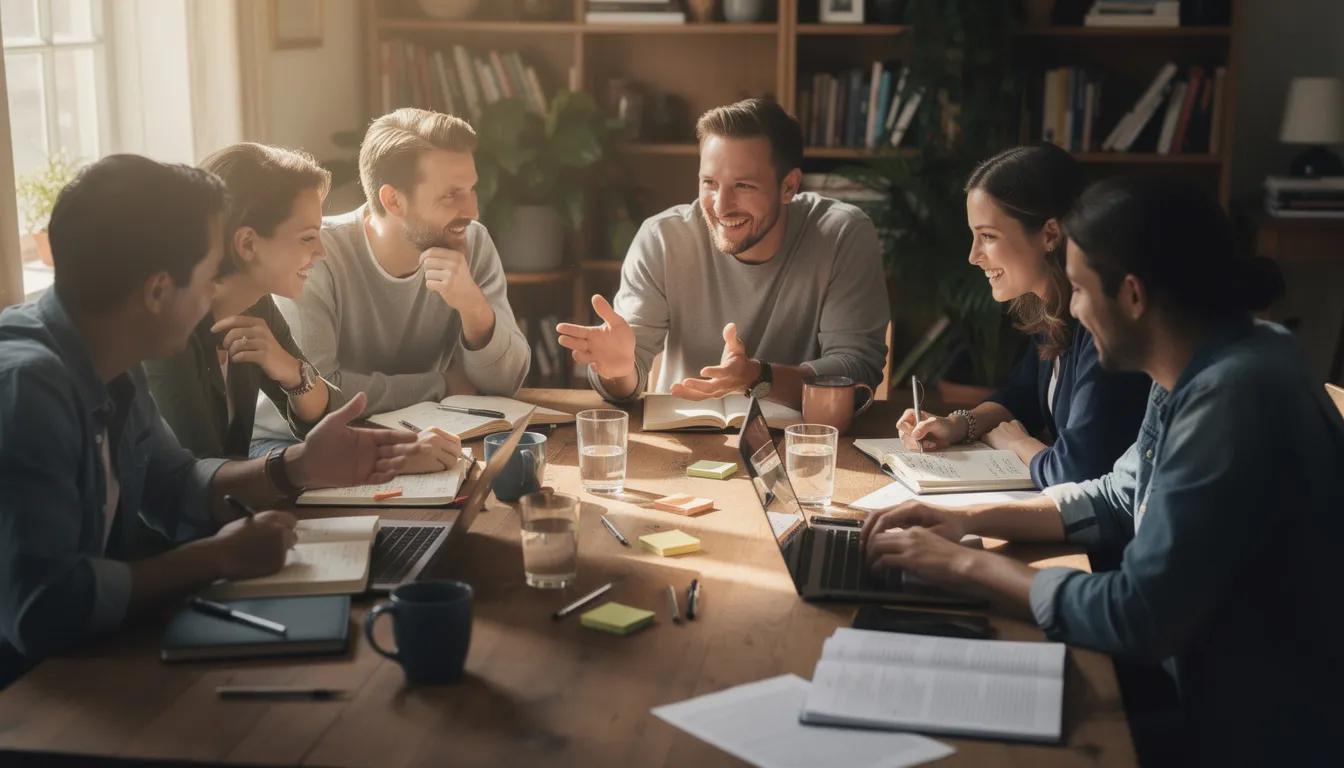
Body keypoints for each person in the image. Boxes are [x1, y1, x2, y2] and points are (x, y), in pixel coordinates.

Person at [861, 172, 1342, 764]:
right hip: (1200, 683)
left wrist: (967, 564)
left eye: (1081, 289)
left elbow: (1136, 614)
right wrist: (964, 520)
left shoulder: (1232, 399)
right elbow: (1118, 494)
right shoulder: (1209, 357)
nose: (1072, 310)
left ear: (1134, 296)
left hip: (1240, 729)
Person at [0, 155, 420, 687]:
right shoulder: (26, 390)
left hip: (95, 661)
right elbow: (43, 609)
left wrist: (298, 464)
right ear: (156, 292)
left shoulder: (110, 361)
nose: (213, 292)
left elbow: (174, 483)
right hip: (30, 696)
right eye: (206, 274)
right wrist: (217, 557)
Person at [555, 98, 889, 410]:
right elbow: (629, 379)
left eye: (743, 186)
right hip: (687, 436)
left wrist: (759, 377)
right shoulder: (662, 239)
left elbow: (857, 370)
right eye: (709, 183)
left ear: (789, 186)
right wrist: (618, 370)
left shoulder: (842, 234)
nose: (721, 206)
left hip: (808, 442)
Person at [145, 143, 459, 474]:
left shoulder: (256, 306)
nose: (322, 251)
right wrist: (388, 456)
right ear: (248, 244)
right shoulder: (166, 335)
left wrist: (293, 372)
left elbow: (332, 420)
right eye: (308, 238)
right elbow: (201, 476)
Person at [252, 108, 529, 454]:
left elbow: (506, 384)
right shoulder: (315, 256)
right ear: (393, 200)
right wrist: (441, 385)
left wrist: (473, 306)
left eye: (471, 190)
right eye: (451, 195)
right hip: (288, 446)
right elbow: (322, 394)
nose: (471, 211)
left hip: (409, 439)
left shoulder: (471, 242)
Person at [896, 144, 1150, 488]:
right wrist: (957, 425)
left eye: (988, 236)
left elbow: (1076, 470)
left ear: (1050, 234)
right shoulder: (1052, 311)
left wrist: (1018, 444)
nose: (973, 256)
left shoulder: (1102, 327)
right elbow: (1021, 395)